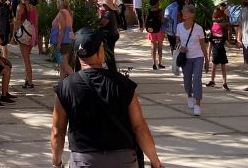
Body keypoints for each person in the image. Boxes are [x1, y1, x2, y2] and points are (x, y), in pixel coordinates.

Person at [51, 28, 164, 168]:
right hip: (124, 161)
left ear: (77, 55)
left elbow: (57, 132)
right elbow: (139, 128)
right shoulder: (123, 84)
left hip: (84, 161)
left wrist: (57, 163)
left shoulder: (65, 88)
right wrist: (155, 162)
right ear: (101, 52)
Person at [175, 4, 208, 116]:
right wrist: (181, 47)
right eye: (183, 11)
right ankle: (189, 95)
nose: (184, 13)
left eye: (186, 12)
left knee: (197, 79)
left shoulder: (198, 28)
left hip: (198, 56)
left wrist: (207, 60)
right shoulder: (179, 26)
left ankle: (198, 104)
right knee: (187, 79)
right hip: (186, 58)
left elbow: (203, 46)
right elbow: (177, 41)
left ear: (192, 14)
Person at [15, 0, 38, 88]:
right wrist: (36, 38)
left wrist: (14, 34)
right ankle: (26, 80)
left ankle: (30, 82)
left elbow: (17, 22)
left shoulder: (20, 7)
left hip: (23, 34)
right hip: (31, 34)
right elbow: (36, 24)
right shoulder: (34, 8)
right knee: (27, 58)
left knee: (26, 60)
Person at [206, 2, 230, 90]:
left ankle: (224, 82)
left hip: (221, 34)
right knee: (214, 66)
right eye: (222, 7)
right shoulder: (216, 11)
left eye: (225, 7)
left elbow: (227, 21)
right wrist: (219, 20)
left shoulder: (225, 13)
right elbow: (213, 19)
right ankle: (213, 80)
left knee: (222, 67)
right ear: (220, 6)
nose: (223, 8)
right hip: (217, 27)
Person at [50, 0, 74, 78]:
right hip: (67, 41)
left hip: (62, 42)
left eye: (57, 2)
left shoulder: (62, 13)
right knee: (62, 64)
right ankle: (62, 84)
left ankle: (77, 81)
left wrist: (59, 43)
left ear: (60, 4)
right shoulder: (69, 13)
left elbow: (61, 29)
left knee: (64, 64)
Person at [98, 0, 120, 73]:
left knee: (108, 55)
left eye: (104, 5)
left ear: (107, 6)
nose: (103, 6)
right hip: (113, 35)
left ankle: (112, 71)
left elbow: (102, 24)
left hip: (109, 36)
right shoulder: (113, 13)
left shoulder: (108, 14)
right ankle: (112, 71)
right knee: (110, 54)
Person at [144, 0, 165, 70]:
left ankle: (153, 64)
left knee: (153, 46)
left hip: (151, 30)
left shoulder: (149, 10)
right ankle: (159, 63)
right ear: (157, 2)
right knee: (160, 46)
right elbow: (163, 21)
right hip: (159, 30)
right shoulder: (160, 10)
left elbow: (146, 20)